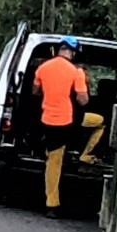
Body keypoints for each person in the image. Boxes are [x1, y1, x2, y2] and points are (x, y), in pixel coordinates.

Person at [32, 39, 102, 212]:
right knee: (101, 122)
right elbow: (83, 100)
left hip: (46, 120)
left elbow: (35, 91)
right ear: (73, 52)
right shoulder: (76, 71)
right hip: (68, 121)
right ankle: (85, 155)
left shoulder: (43, 68)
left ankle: (52, 202)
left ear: (59, 50)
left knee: (53, 160)